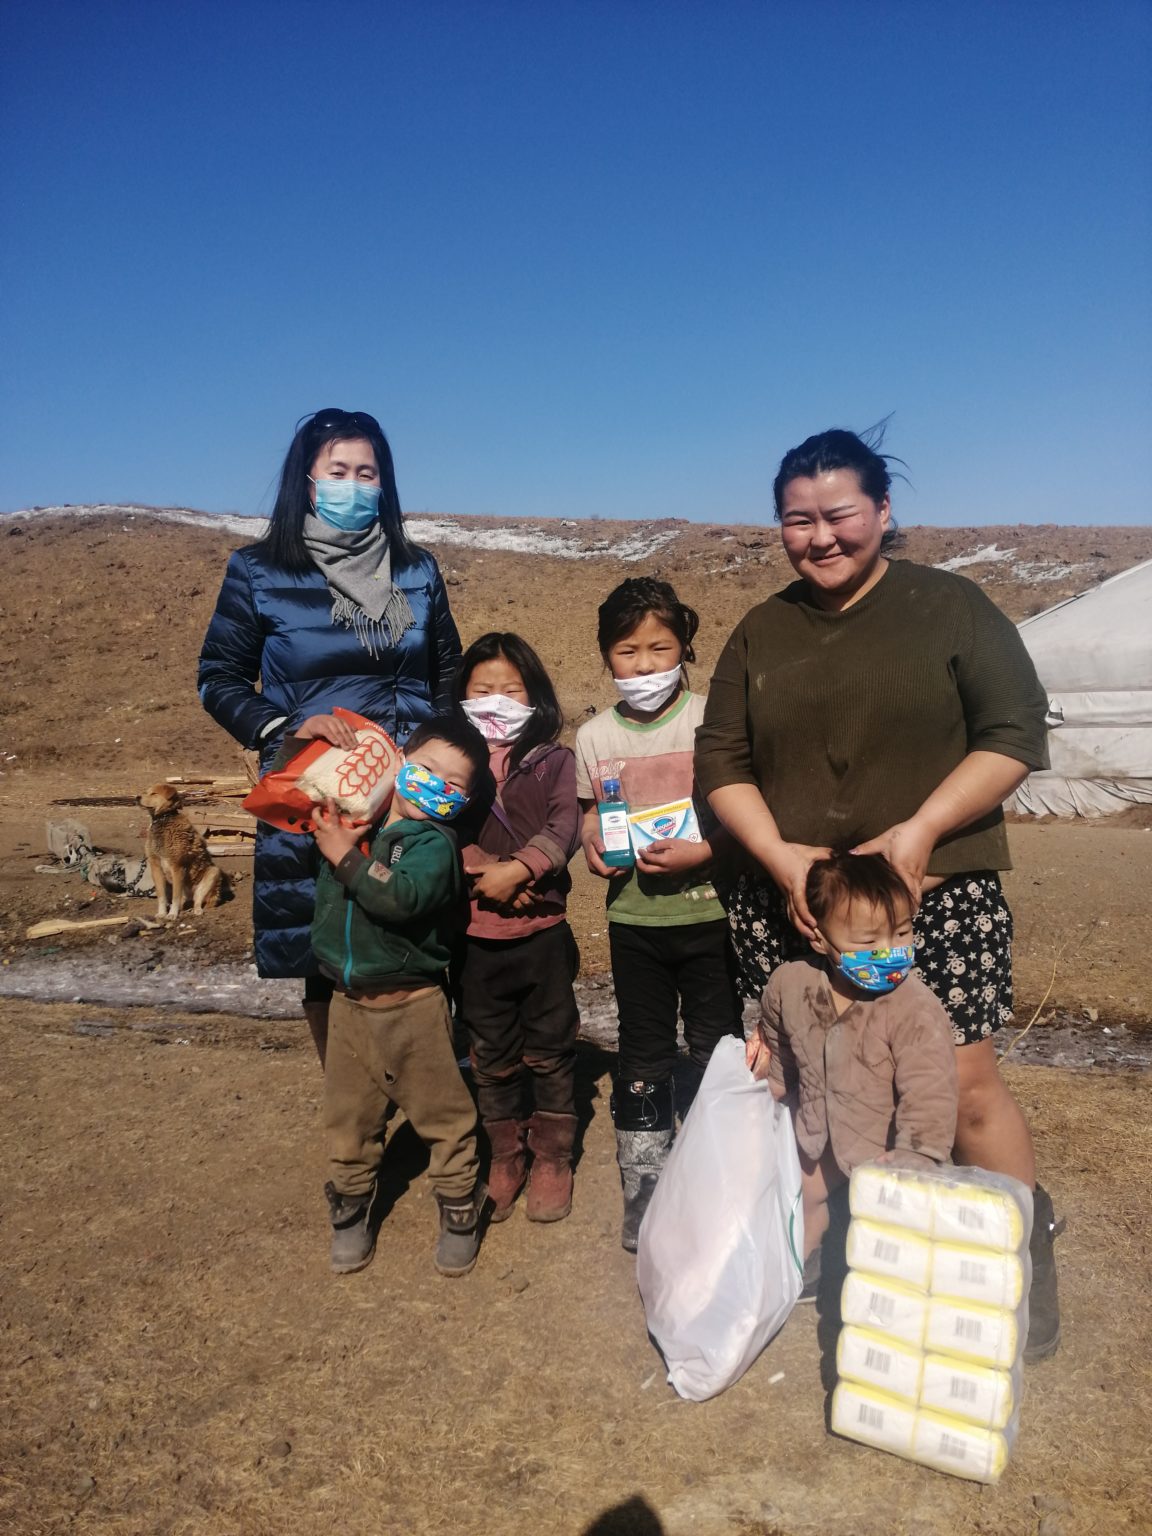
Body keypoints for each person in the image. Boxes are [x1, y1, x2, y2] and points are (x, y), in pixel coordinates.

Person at [694, 426, 1062, 1361]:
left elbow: (1015, 732)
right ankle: (838, 1249)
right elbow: (721, 763)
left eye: (840, 515)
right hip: (795, 910)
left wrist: (921, 830)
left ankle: (1017, 1254)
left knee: (961, 1084)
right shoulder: (761, 631)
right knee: (811, 1086)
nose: (819, 537)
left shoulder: (951, 608)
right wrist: (781, 859)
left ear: (883, 513)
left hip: (934, 898)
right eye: (798, 520)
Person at [198, 408, 461, 1066]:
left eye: (366, 472)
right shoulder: (260, 571)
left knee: (421, 945)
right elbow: (219, 677)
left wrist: (441, 756)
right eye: (338, 470)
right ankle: (354, 1112)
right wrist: (283, 725)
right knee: (328, 957)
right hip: (322, 796)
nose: (353, 483)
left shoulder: (417, 571)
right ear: (307, 480)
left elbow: (447, 673)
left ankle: (432, 1110)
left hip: (410, 798)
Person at [287, 712, 490, 1278]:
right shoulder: (355, 819)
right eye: (428, 770)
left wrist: (344, 857)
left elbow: (399, 898)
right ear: (399, 762)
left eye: (455, 785)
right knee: (348, 1116)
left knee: (443, 1113)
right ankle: (350, 1207)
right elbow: (287, 785)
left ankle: (458, 1205)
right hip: (347, 1003)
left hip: (413, 1006)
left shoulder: (433, 844)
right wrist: (304, 738)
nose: (438, 788)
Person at [575, 577, 743, 1252]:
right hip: (635, 925)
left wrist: (705, 850)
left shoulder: (712, 720)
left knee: (717, 1048)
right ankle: (644, 1188)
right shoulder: (592, 737)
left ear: (685, 648)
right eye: (626, 651)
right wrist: (593, 846)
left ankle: (717, 1174)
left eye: (658, 647)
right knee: (641, 1054)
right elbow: (591, 815)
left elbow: (743, 807)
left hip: (711, 918)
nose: (643, 666)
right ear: (605, 657)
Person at [745, 851, 958, 1266]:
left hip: (884, 1147)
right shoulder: (791, 984)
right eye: (867, 942)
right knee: (800, 1194)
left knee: (885, 1231)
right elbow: (779, 1038)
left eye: (901, 933)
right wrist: (773, 1087)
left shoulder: (914, 1007)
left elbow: (930, 1087)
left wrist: (918, 1153)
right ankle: (801, 1265)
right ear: (820, 938)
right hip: (817, 1133)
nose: (889, 951)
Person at [451, 633, 582, 1223]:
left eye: (511, 690)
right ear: (461, 697)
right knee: (490, 1051)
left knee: (552, 1047)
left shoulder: (555, 760)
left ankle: (553, 1157)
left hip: (543, 934)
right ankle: (506, 1155)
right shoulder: (447, 762)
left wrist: (525, 868)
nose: (496, 703)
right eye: (482, 691)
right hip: (474, 937)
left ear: (536, 698)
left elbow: (565, 824)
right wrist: (488, 871)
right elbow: (434, 829)